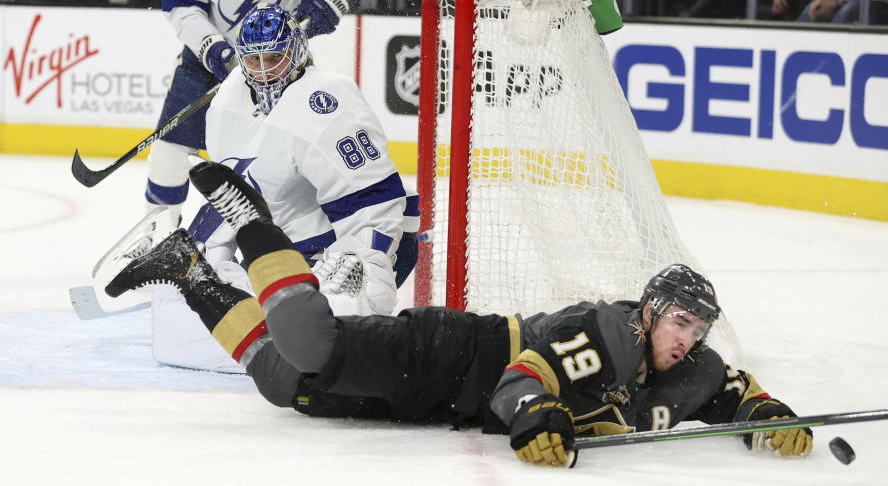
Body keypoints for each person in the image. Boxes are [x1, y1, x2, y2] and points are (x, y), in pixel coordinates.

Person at [105, 159, 814, 467]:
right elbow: (522, 381)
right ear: (650, 311)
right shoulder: (607, 331)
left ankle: (187, 267)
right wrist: (540, 418)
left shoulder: (692, 367)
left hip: (441, 404)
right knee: (308, 341)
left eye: (695, 329)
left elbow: (730, 394)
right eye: (678, 321)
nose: (685, 339)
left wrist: (768, 419)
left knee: (283, 381)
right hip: (453, 354)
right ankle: (250, 220)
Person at [147, 4, 417, 373]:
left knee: (321, 347)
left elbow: (372, 201)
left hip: (335, 251)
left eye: (273, 57)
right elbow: (234, 189)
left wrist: (367, 265)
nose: (262, 70)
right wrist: (218, 253)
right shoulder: (227, 99)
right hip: (277, 253)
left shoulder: (327, 101)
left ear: (298, 52)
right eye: (253, 60)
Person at [137, 0, 349, 243]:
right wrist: (217, 51)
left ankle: (317, 237)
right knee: (169, 149)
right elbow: (180, 3)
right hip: (212, 56)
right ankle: (155, 236)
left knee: (298, 149)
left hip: (282, 58)